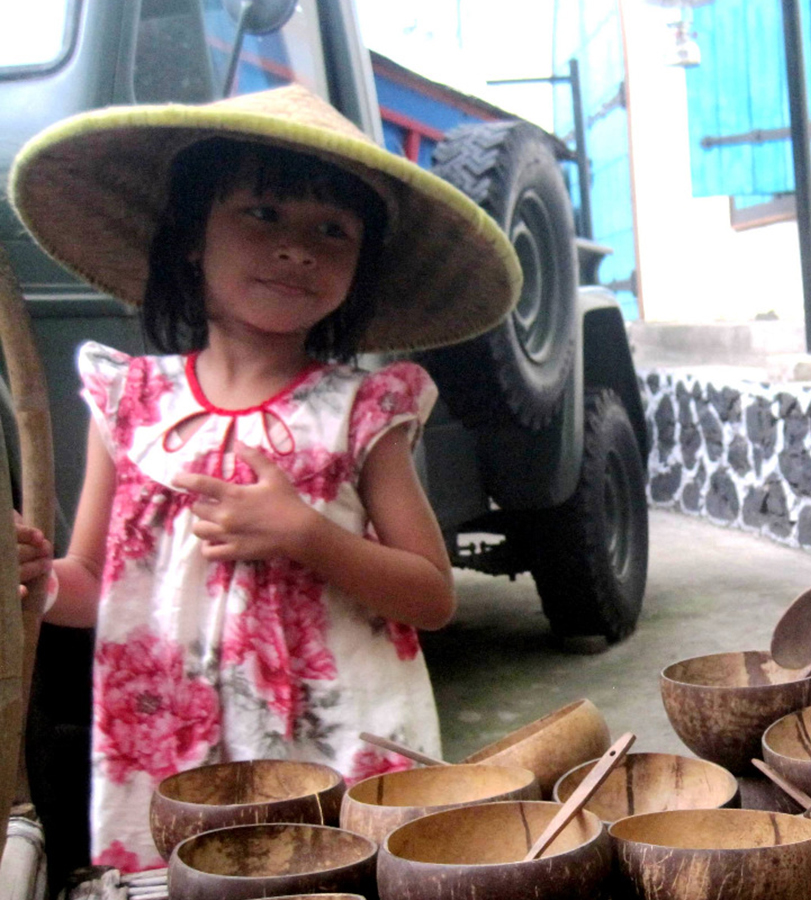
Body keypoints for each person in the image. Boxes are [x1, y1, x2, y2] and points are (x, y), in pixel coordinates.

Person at [7, 85, 521, 871]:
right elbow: (89, 583)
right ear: (189, 236)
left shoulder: (360, 412)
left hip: (336, 754)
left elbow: (432, 594)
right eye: (263, 214)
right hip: (178, 762)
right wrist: (35, 581)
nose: (298, 249)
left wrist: (306, 534)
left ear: (361, 266)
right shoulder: (129, 403)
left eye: (333, 231)